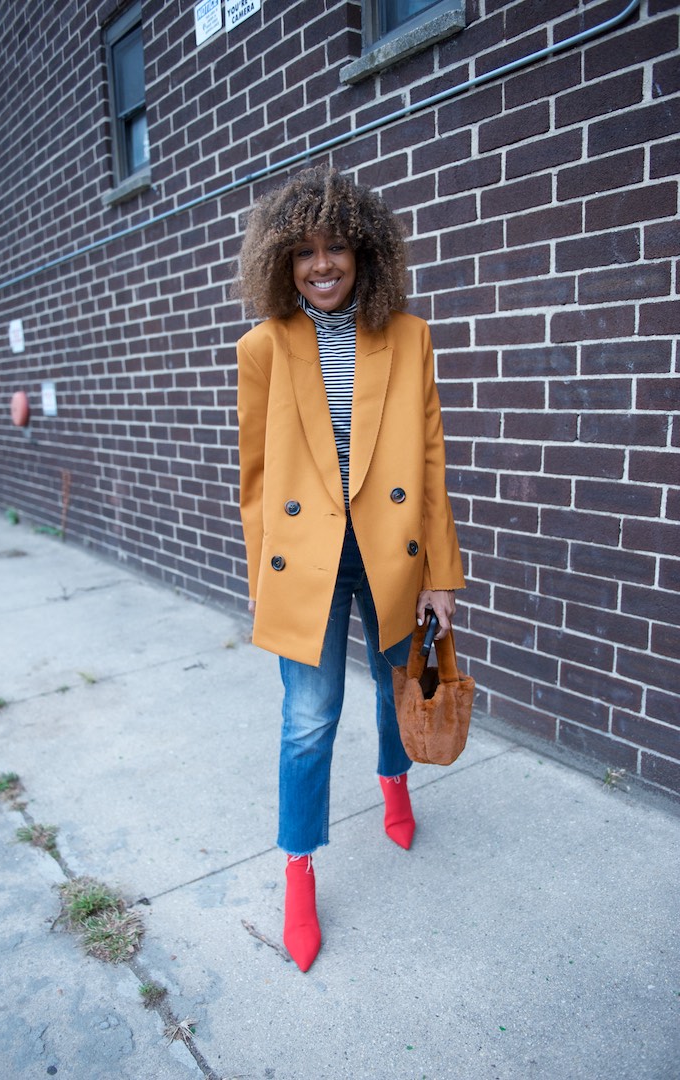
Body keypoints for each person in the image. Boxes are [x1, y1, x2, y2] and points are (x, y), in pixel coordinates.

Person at [235, 165, 465, 972]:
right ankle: (298, 871)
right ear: (280, 261)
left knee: (396, 681)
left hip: (390, 547)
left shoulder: (407, 335)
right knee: (308, 716)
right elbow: (255, 479)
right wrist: (265, 576)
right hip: (307, 559)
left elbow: (429, 461)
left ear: (366, 253)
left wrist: (441, 574)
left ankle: (393, 781)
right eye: (302, 252)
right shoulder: (262, 347)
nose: (320, 264)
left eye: (336, 247)